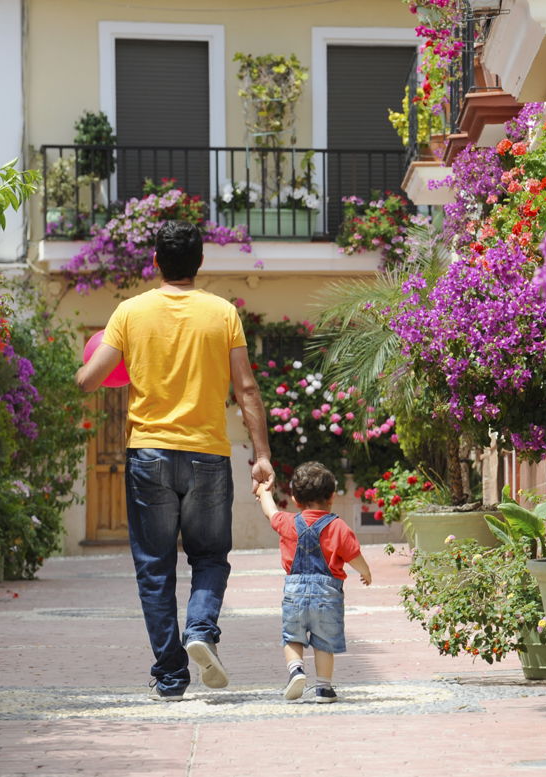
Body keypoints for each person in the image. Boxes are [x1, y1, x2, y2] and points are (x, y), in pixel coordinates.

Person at [76, 220, 274, 701]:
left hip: (149, 454)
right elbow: (246, 387)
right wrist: (263, 455)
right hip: (207, 454)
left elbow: (89, 380)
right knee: (209, 557)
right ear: (200, 262)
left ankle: (169, 675)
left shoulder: (130, 312)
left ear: (156, 262)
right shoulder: (223, 312)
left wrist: (90, 361)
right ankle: (201, 630)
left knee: (155, 566)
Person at [255, 461, 371, 703]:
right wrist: (365, 571)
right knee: (324, 643)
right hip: (327, 595)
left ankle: (296, 669)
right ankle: (324, 689)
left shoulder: (287, 522)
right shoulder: (338, 526)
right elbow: (353, 555)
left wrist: (264, 491)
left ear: (296, 500)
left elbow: (270, 511)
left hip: (294, 594)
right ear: (331, 497)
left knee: (292, 637)